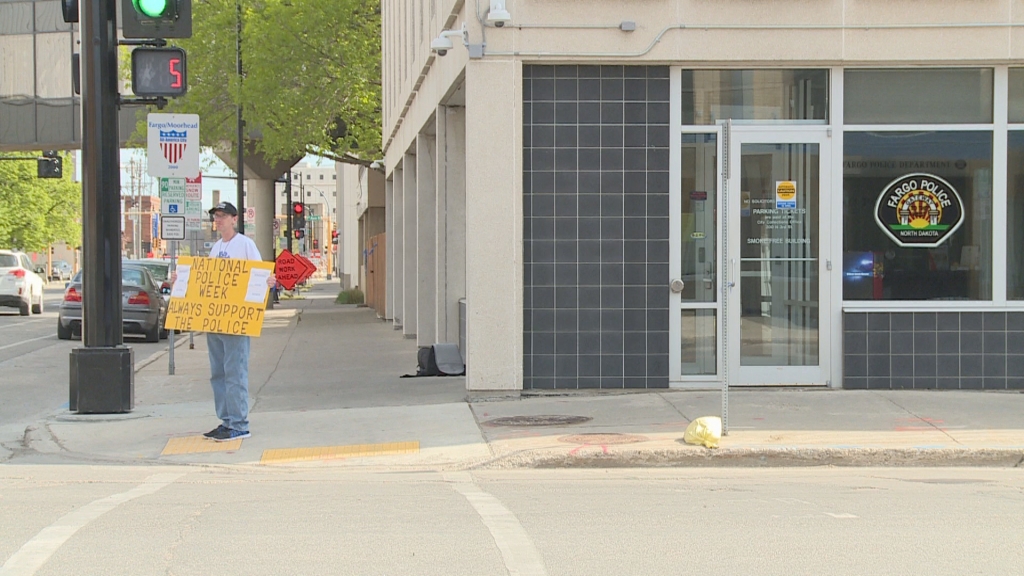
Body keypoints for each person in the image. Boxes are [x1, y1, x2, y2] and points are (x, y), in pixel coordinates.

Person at [174, 202, 275, 442]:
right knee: (218, 372)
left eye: (221, 216)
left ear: (234, 219)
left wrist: (267, 282)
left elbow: (260, 274)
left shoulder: (245, 245)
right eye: (215, 217)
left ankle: (239, 423)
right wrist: (183, 279)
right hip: (216, 319)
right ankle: (227, 420)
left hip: (236, 320)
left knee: (235, 371)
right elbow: (206, 282)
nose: (217, 220)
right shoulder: (216, 247)